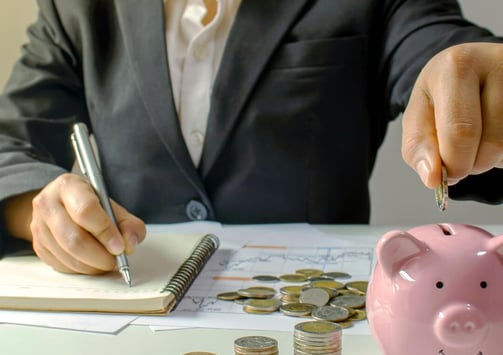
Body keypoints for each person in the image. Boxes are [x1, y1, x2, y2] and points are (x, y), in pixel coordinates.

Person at [0, 0, 502, 275]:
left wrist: (480, 81)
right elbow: (10, 142)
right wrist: (34, 211)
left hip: (314, 328)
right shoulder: (74, 9)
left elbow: (449, 52)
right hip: (126, 320)